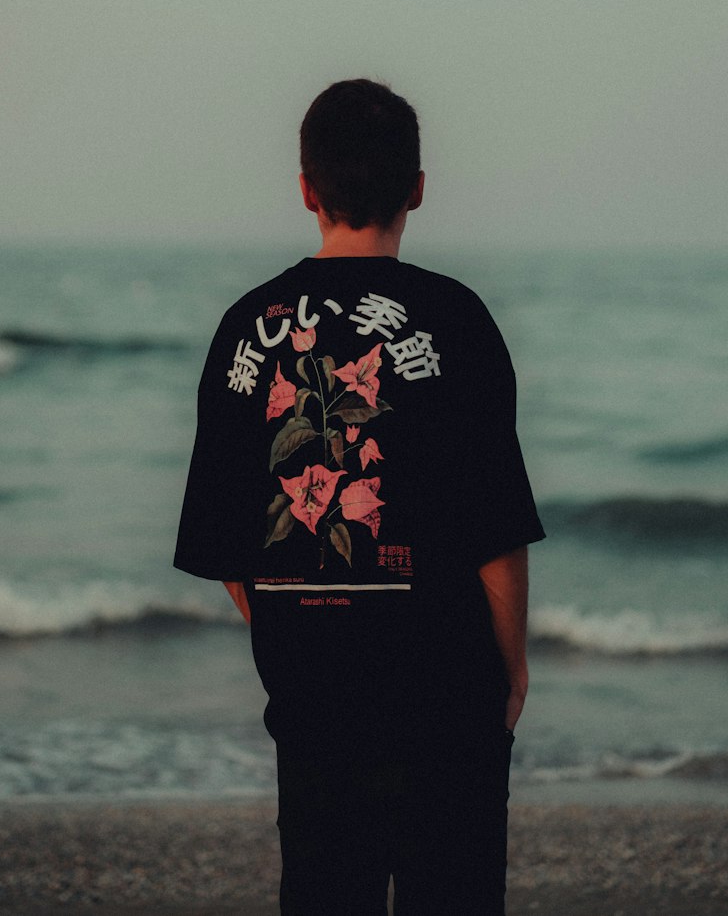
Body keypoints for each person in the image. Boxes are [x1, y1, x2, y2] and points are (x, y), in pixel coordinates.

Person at [174, 79, 545, 915]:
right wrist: (510, 666)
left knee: (324, 892)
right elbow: (496, 532)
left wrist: (304, 630)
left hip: (313, 694)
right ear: (417, 186)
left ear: (306, 186)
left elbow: (233, 551)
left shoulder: (246, 327)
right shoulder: (458, 320)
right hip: (448, 694)